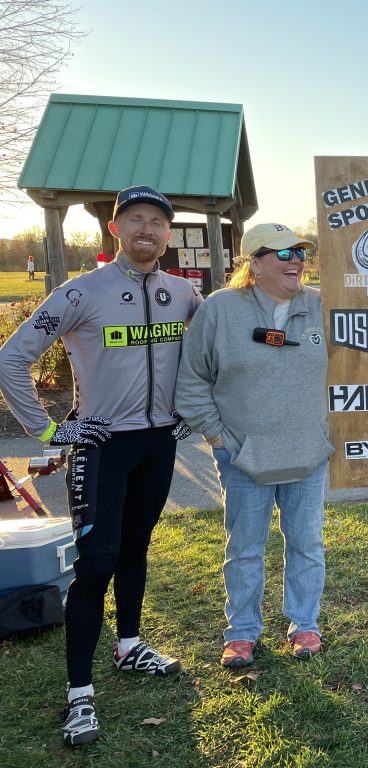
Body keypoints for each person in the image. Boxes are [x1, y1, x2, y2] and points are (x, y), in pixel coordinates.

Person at [0, 185, 202, 746]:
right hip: (102, 445)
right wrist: (48, 429)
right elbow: (10, 358)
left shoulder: (184, 295)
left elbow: (213, 354)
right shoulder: (81, 292)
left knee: (136, 548)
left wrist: (191, 411)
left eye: (157, 222)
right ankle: (80, 696)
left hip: (160, 444)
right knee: (95, 566)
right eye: (135, 219)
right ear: (115, 230)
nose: (147, 229)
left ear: (167, 234)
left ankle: (131, 645)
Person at [174, 223, 334, 669]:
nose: (295, 261)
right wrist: (218, 436)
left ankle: (305, 624)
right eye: (282, 254)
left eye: (299, 252)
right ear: (254, 262)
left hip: (307, 454)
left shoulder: (322, 304)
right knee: (244, 547)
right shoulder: (221, 310)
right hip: (244, 457)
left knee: (307, 543)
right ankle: (242, 632)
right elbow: (191, 381)